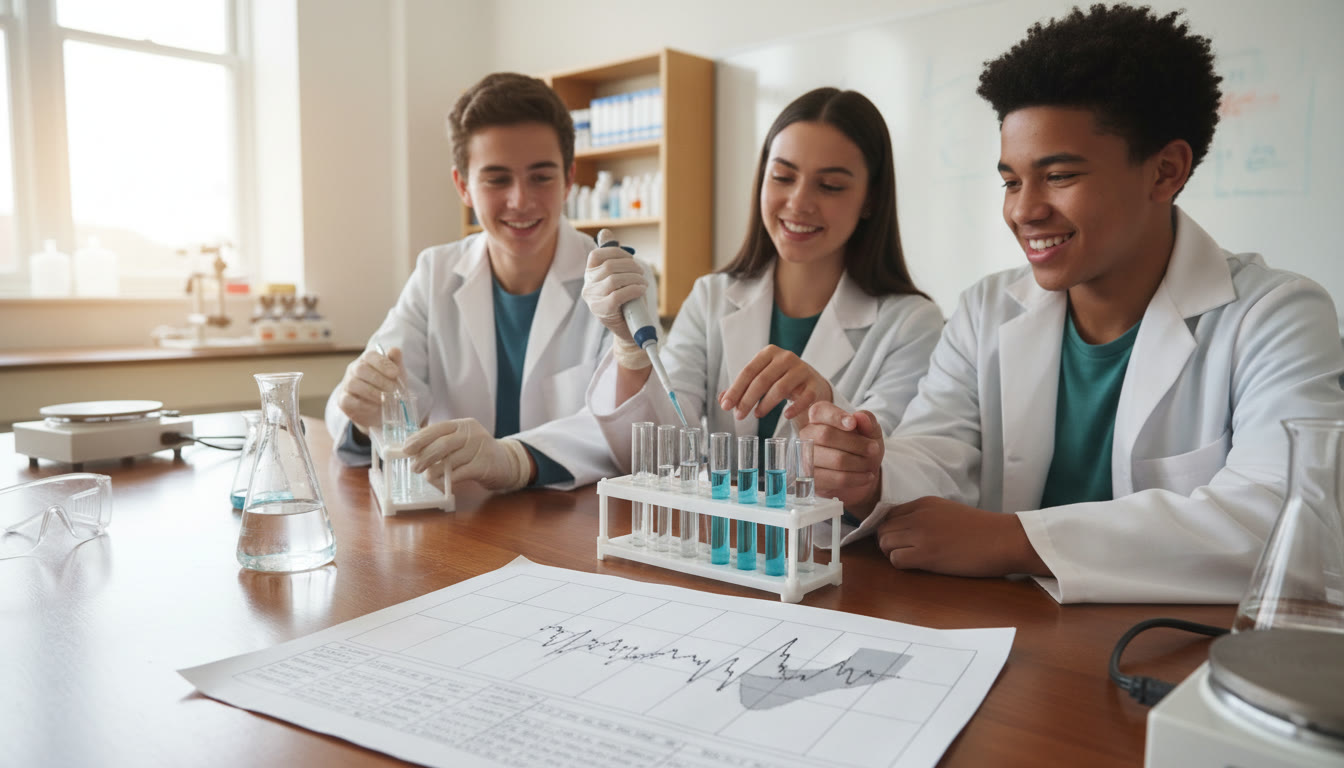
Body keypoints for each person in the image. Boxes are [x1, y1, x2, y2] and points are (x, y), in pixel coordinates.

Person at [803, 3, 1344, 603]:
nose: (1023, 210)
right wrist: (871, 474)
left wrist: (1014, 540)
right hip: (1017, 645)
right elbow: (939, 454)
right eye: (1011, 180)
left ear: (1165, 171)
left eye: (1058, 176)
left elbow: (1288, 525)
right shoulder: (987, 310)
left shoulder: (1277, 316)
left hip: (1175, 662)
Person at [582, 87, 943, 464]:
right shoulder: (711, 298)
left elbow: (888, 473)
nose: (799, 203)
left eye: (830, 185)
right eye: (783, 177)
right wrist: (628, 349)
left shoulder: (911, 325)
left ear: (870, 198)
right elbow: (654, 457)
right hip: (718, 525)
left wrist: (826, 407)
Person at [324, 72, 641, 490]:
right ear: (463, 186)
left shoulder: (614, 281)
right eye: (496, 179)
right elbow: (366, 405)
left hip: (572, 527)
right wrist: (367, 411)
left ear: (568, 180)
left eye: (541, 177)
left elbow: (628, 435)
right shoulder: (435, 274)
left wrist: (516, 457)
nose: (520, 201)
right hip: (460, 527)